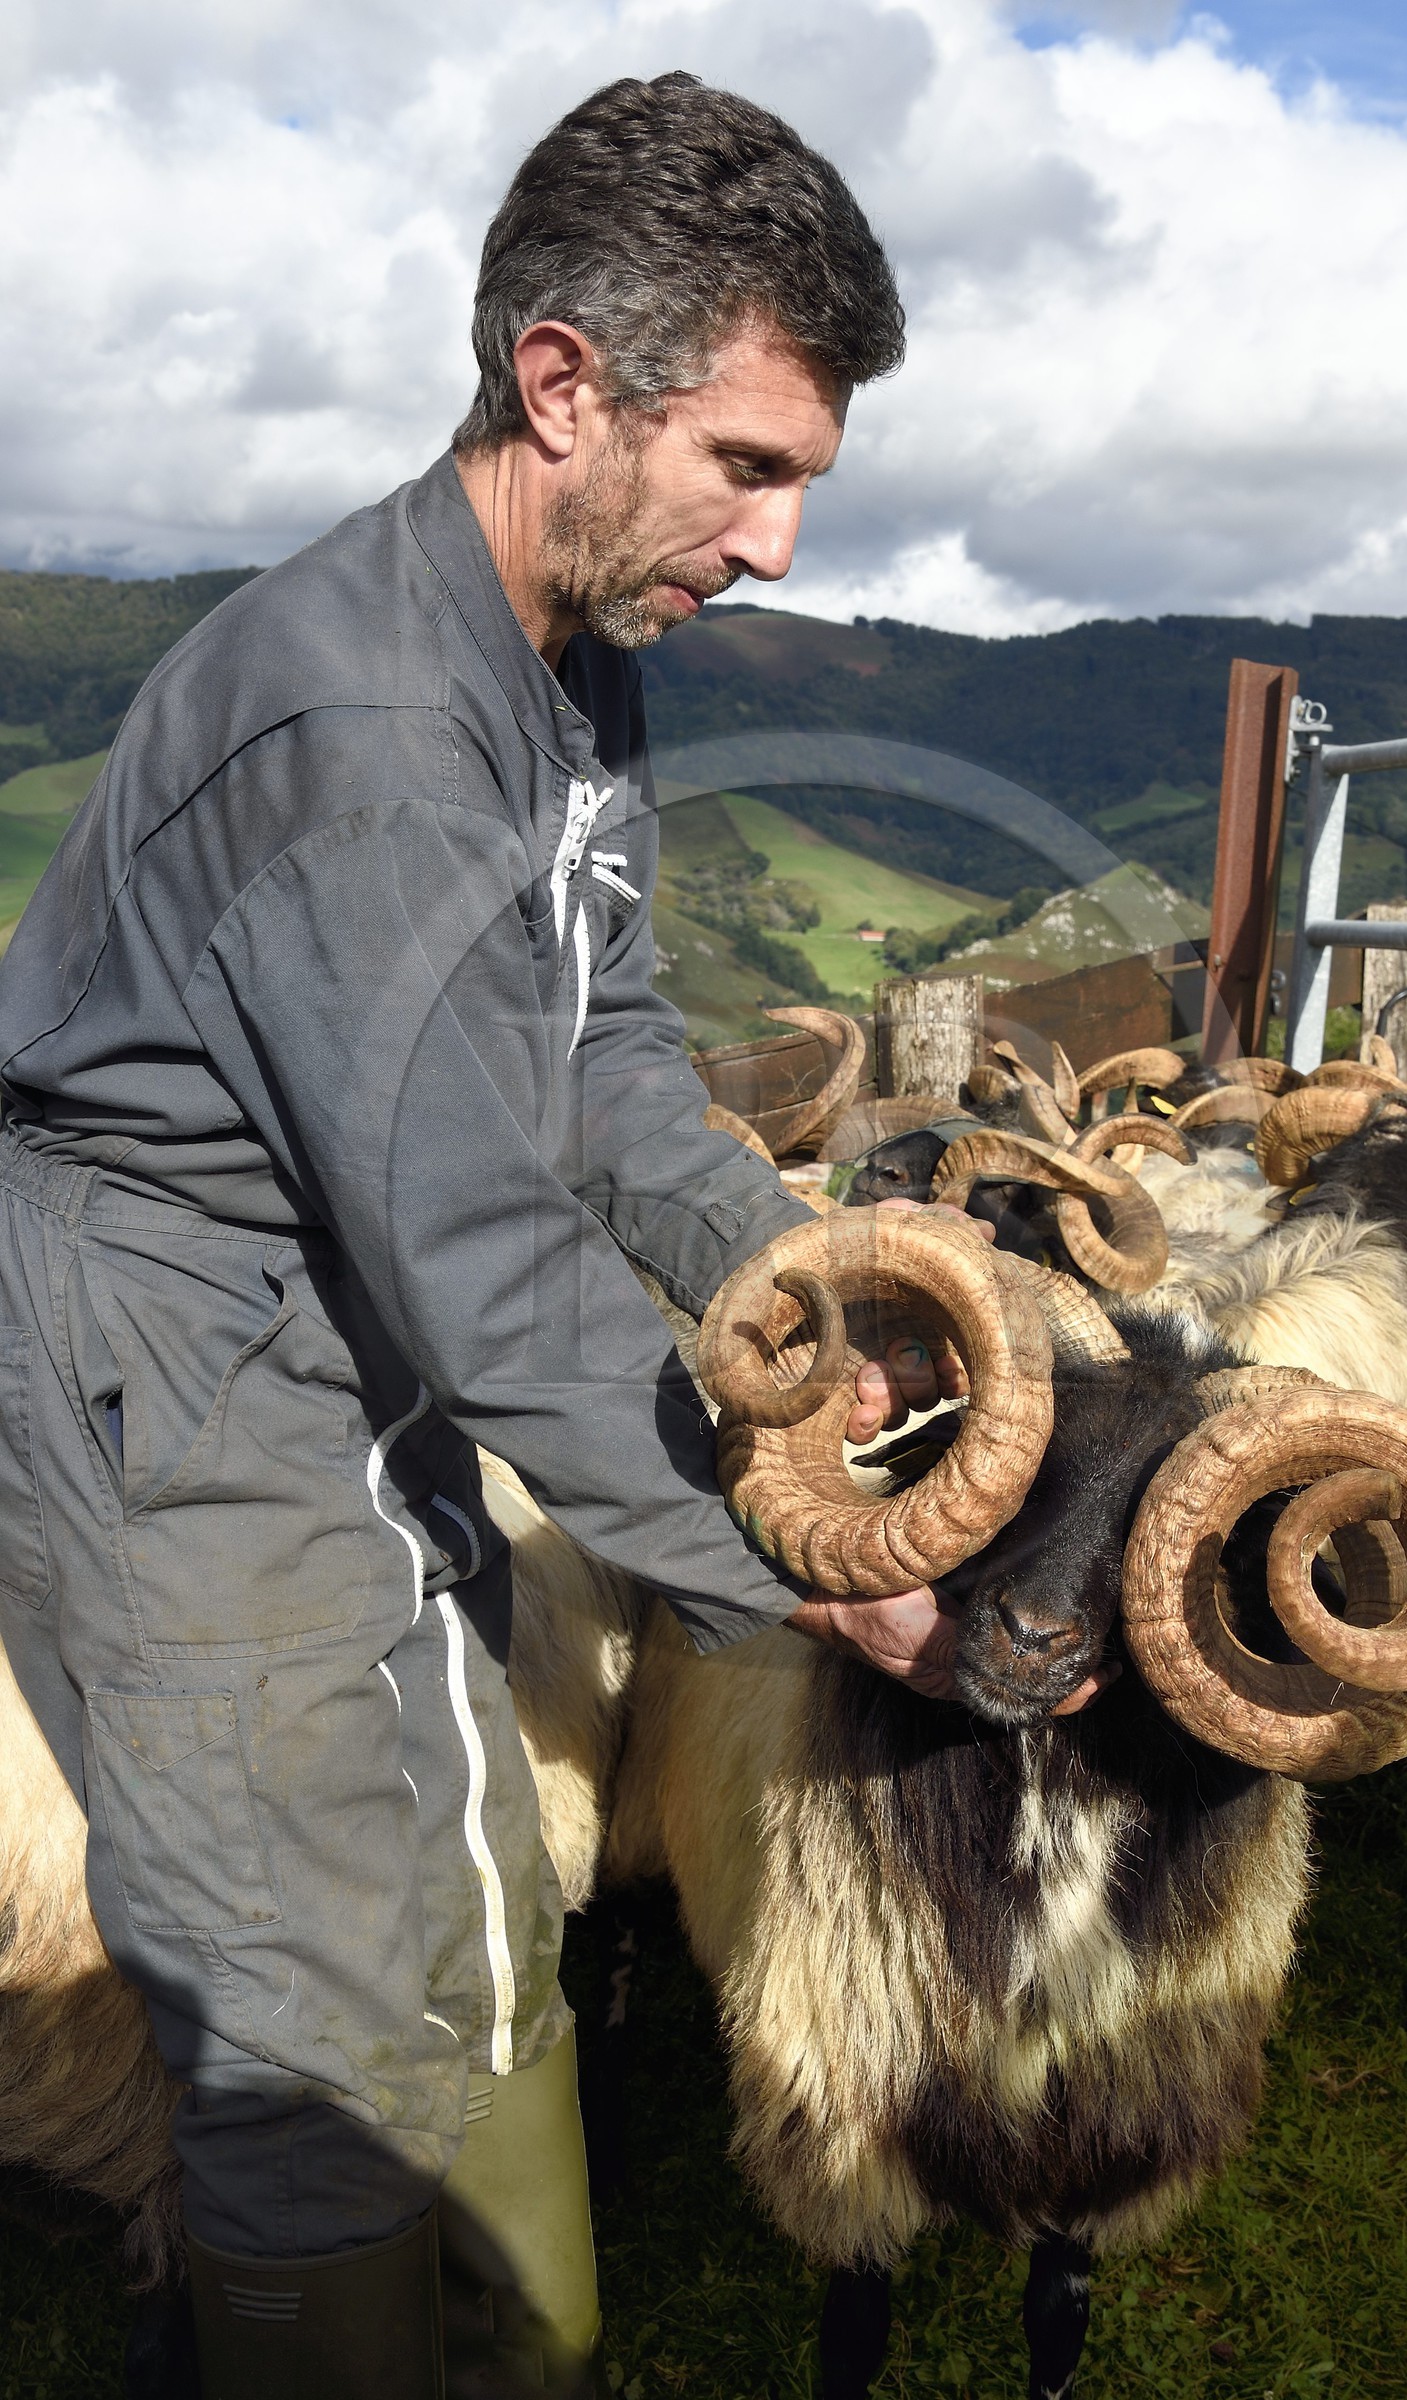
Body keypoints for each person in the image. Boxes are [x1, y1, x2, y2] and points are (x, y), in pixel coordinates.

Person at [0, 70, 958, 2400]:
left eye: (802, 475)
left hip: (363, 1371)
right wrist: (816, 1559)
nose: (780, 542)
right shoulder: (358, 724)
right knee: (307, 2032)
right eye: (750, 463)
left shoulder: (573, 671)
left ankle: (497, 2345)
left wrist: (792, 1286)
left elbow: (610, 1051)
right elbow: (479, 1252)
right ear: (560, 384)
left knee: (469, 1907)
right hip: (190, 1395)